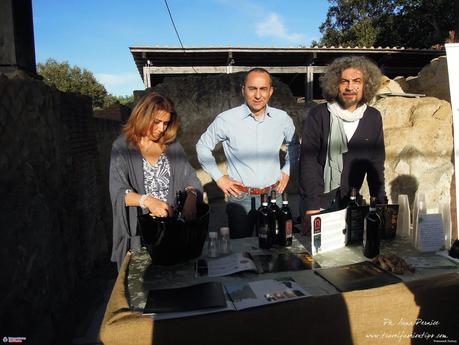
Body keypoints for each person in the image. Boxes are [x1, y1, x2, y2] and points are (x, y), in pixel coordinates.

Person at [196, 67, 299, 238]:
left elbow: (294, 144)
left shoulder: (282, 119)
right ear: (243, 90)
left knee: (275, 247)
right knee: (241, 251)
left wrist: (287, 171)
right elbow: (202, 146)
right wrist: (219, 178)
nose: (258, 95)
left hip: (274, 195)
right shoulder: (226, 119)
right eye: (252, 89)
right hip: (240, 198)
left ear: (270, 91)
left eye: (263, 89)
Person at [109, 92, 202, 270]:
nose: (161, 129)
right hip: (141, 236)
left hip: (171, 232)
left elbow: (190, 176)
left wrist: (191, 196)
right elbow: (118, 191)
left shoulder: (172, 146)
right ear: (142, 116)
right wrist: (147, 201)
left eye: (165, 123)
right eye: (156, 122)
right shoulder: (121, 148)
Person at [299, 56, 386, 230]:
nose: (350, 87)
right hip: (318, 203)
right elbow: (308, 163)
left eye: (356, 81)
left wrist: (381, 203)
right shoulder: (319, 115)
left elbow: (376, 164)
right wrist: (311, 207)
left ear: (365, 85)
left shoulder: (373, 117)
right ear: (335, 84)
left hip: (351, 202)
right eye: (344, 81)